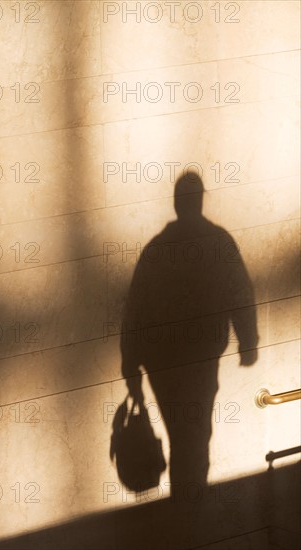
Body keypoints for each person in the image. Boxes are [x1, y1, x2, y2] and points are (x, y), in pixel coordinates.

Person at [121, 172, 259, 488]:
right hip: (201, 358)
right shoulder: (218, 241)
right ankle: (191, 503)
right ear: (199, 201)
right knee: (196, 435)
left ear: (176, 203)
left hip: (161, 363)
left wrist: (131, 364)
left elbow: (135, 311)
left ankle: (184, 503)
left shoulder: (156, 249)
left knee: (180, 433)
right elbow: (240, 293)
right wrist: (247, 343)